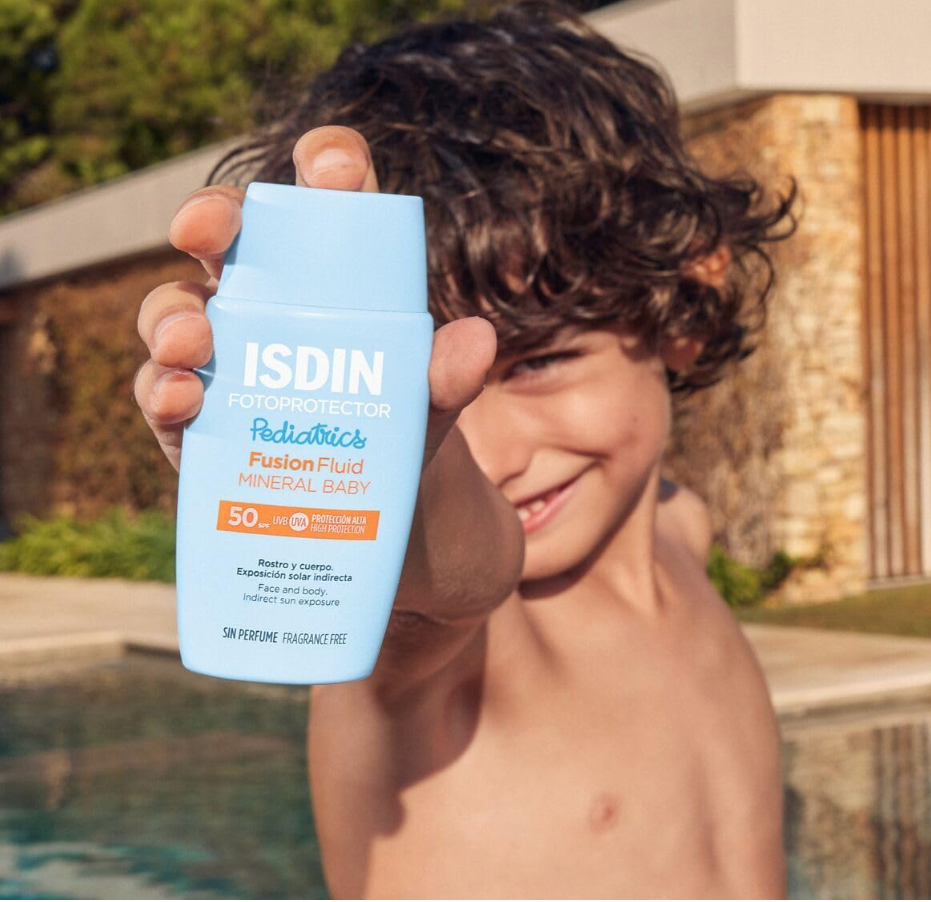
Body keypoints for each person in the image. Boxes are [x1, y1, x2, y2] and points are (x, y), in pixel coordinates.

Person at [134, 2, 797, 896]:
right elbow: (455, 572)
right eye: (424, 398)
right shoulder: (442, 654)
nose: (494, 451)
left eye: (537, 365)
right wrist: (389, 457)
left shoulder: (685, 532)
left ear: (681, 303)